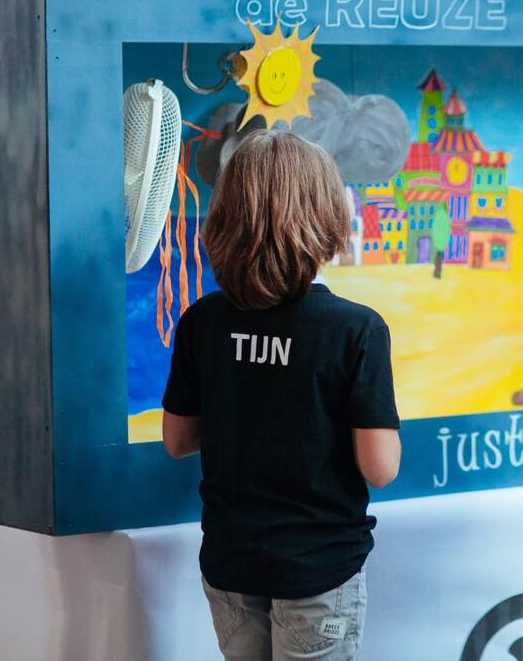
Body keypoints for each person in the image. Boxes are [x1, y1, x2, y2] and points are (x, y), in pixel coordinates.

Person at [161, 130, 402, 661]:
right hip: (318, 569)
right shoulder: (356, 329)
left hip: (230, 563)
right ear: (325, 216)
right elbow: (380, 467)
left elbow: (177, 441)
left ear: (228, 216)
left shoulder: (202, 320)